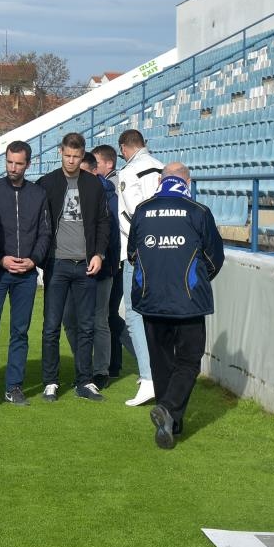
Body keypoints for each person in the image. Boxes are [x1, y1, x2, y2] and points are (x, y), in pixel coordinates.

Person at [128, 163, 224, 450]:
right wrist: (196, 280)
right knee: (189, 361)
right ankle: (168, 409)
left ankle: (170, 422)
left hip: (151, 300)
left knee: (160, 362)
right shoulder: (198, 211)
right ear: (187, 182)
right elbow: (214, 258)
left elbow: (133, 254)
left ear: (161, 180)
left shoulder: (142, 210)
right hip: (188, 301)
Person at [36, 132, 110, 402]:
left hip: (86, 265)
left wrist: (99, 254)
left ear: (82, 156)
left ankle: (84, 381)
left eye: (76, 156)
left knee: (86, 326)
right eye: (67, 155)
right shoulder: (46, 183)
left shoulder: (93, 185)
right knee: (51, 326)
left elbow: (103, 222)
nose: (71, 160)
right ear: (60, 152)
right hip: (56, 264)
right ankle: (50, 382)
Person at [0, 140, 49, 410]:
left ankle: (14, 387)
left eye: (19, 163)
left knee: (20, 332)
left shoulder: (38, 194)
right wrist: (0, 258)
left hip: (26, 275)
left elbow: (45, 233)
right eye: (9, 162)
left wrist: (33, 260)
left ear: (28, 164)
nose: (13, 168)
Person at [115, 129, 164, 406]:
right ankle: (158, 373)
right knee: (156, 314)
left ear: (124, 148)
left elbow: (136, 214)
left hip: (137, 253)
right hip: (164, 251)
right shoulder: (163, 167)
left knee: (134, 315)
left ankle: (148, 378)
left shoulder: (128, 172)